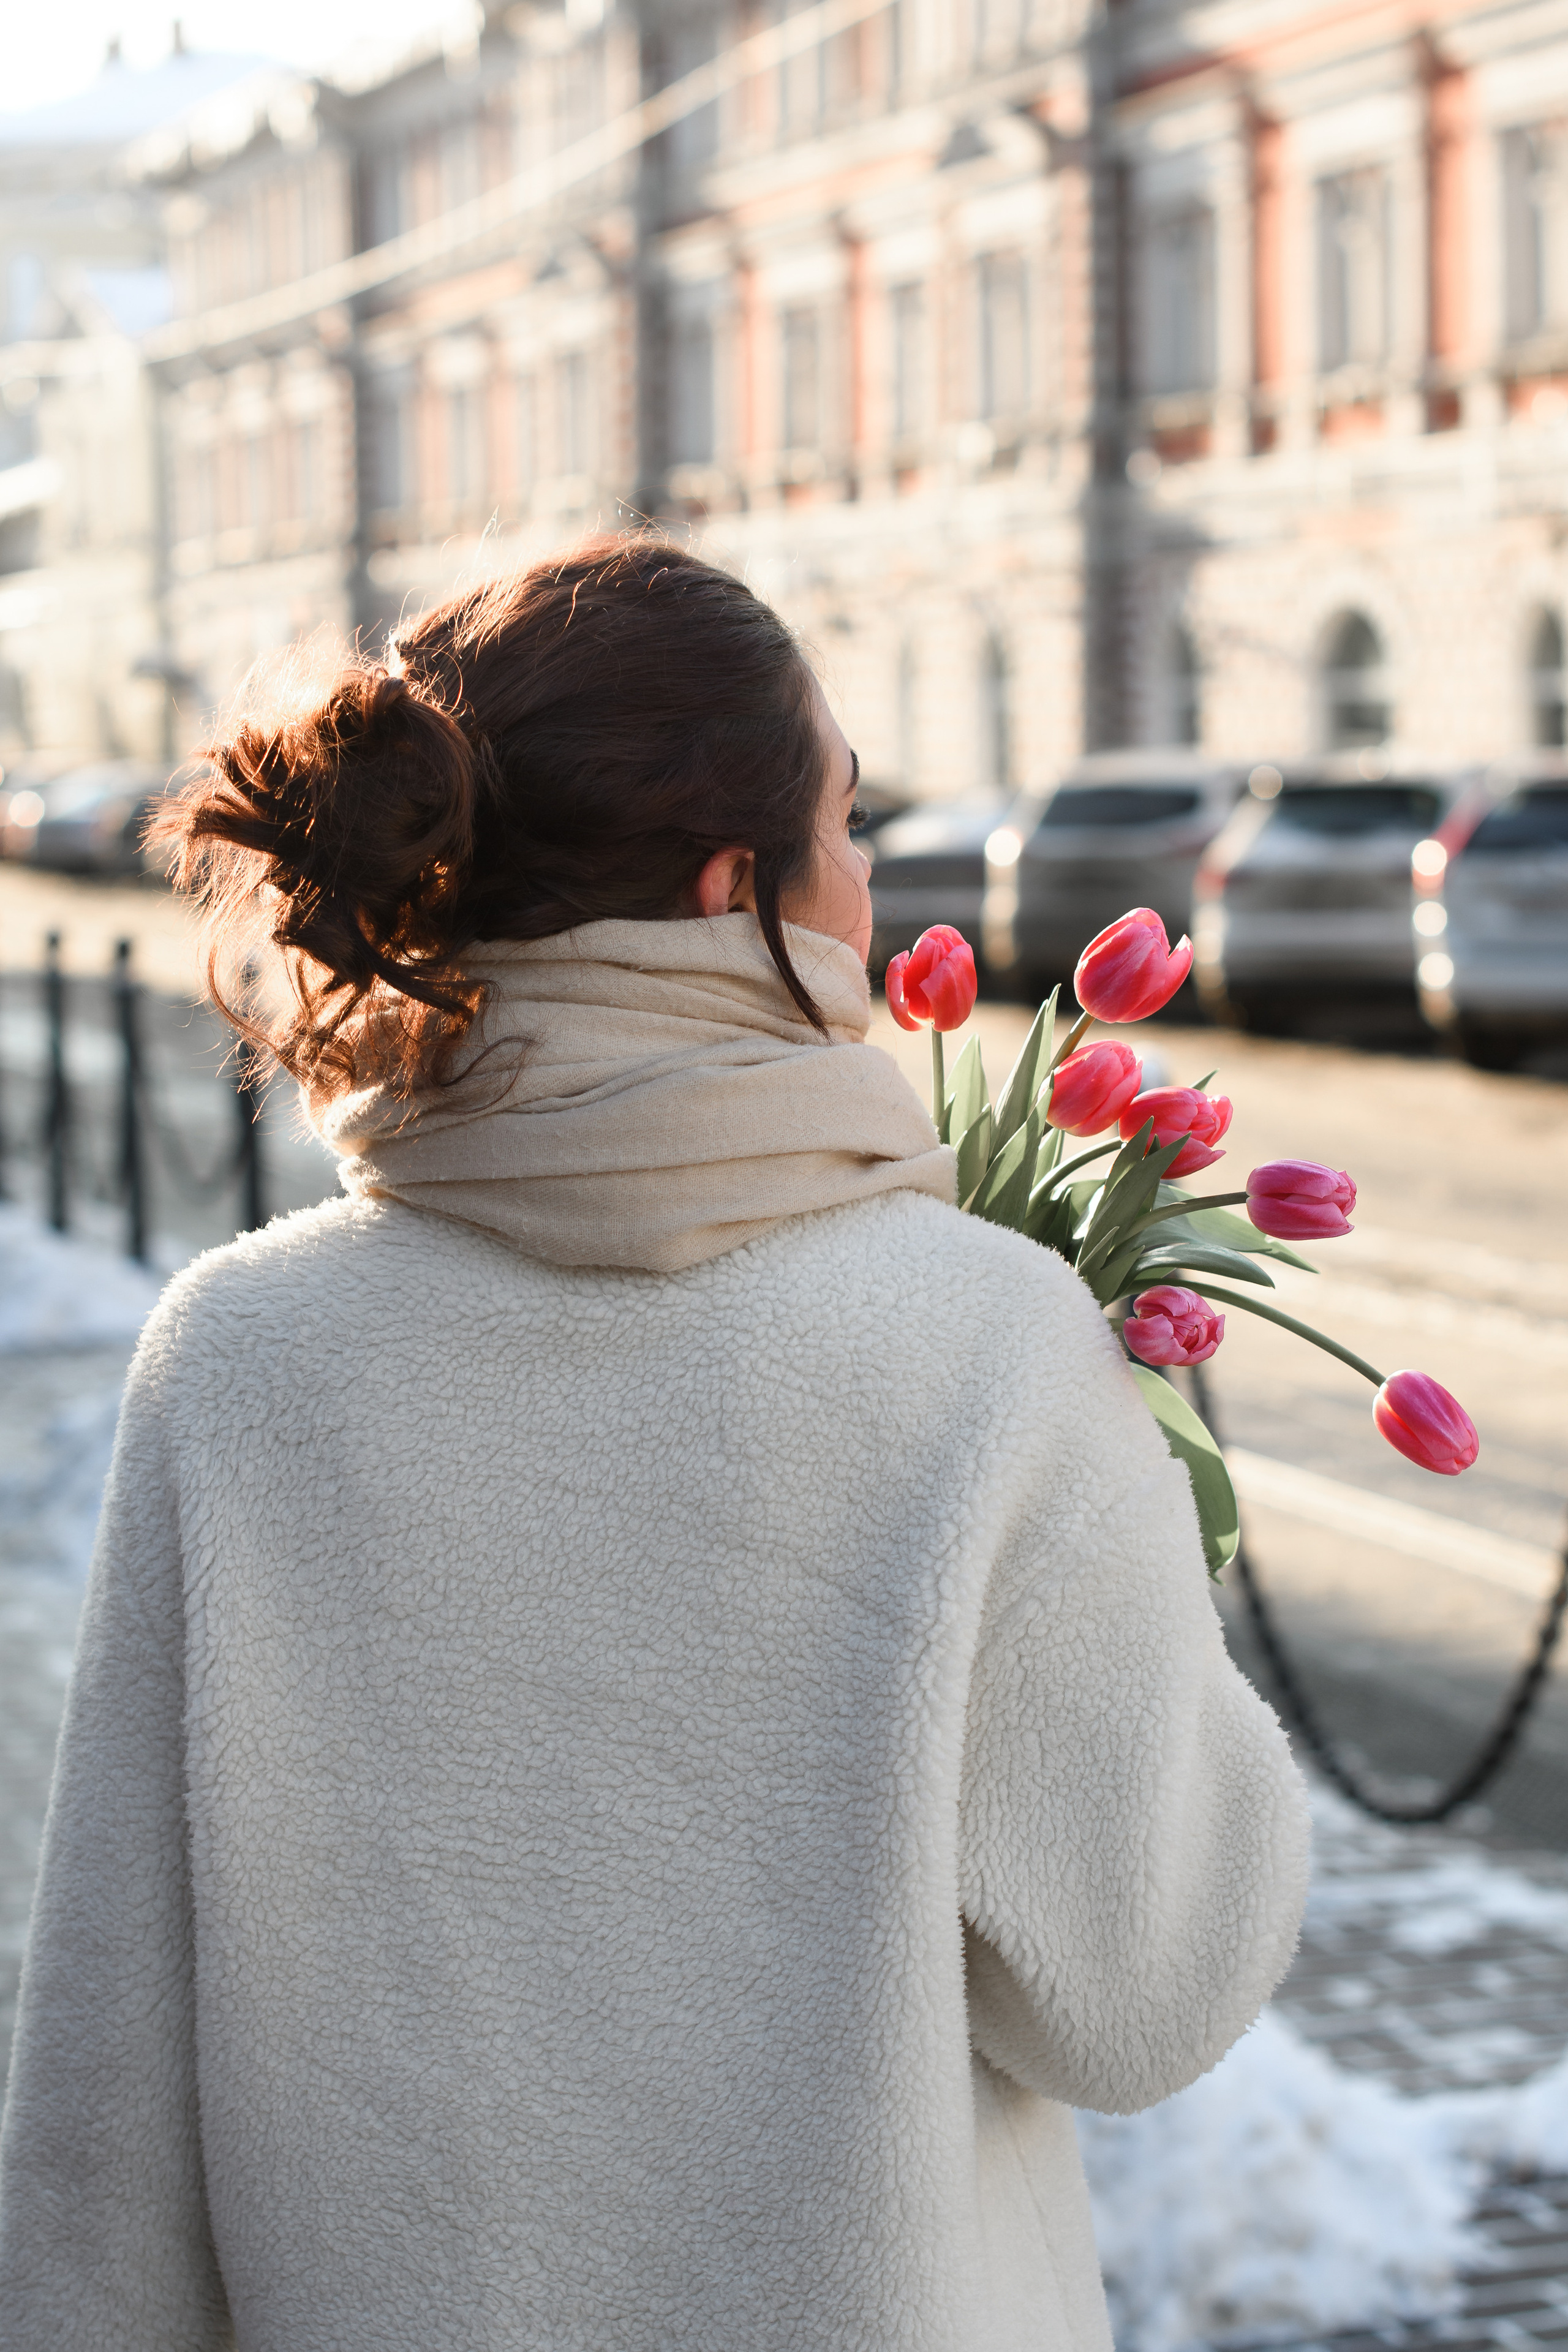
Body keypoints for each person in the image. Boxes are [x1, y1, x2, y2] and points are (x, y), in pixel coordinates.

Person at [0, 538, 1308, 2351]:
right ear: (730, 887)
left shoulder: (241, 1361)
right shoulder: (988, 1346)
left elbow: (105, 2104)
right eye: (848, 828)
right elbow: (1145, 1998)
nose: (867, 882)